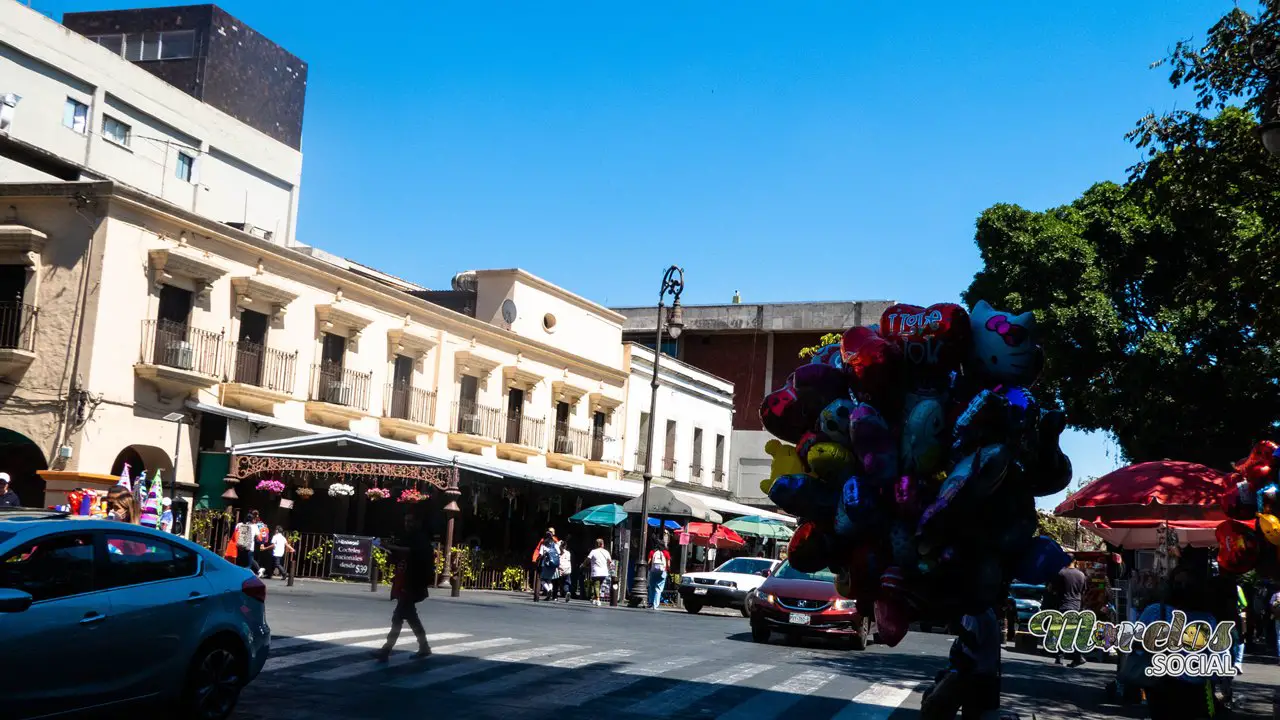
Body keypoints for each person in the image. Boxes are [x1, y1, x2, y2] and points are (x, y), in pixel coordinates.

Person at [921, 607, 1002, 719]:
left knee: (932, 704)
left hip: (974, 674)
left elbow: (974, 644)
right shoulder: (985, 612)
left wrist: (957, 628)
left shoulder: (975, 615)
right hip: (978, 672)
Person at [374, 512, 433, 661]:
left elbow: (413, 552)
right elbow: (400, 553)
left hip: (413, 582)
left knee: (398, 617)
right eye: (406, 521)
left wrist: (391, 546)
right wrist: (388, 549)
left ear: (418, 522)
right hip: (404, 580)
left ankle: (386, 650)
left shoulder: (421, 538)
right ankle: (424, 646)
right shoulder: (407, 537)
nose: (408, 524)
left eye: (411, 521)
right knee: (411, 618)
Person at [1050, 560, 1086, 667]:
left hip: (1063, 605)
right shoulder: (1081, 575)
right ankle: (1077, 656)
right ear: (1075, 562)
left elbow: (1052, 589)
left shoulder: (1061, 573)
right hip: (1076, 606)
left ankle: (1061, 657)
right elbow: (1083, 591)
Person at [584, 538, 612, 607]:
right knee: (599, 585)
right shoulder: (606, 552)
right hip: (604, 572)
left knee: (596, 585)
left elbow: (588, 559)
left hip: (596, 571)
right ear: (602, 544)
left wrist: (583, 564)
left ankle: (598, 599)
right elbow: (610, 561)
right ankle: (594, 598)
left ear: (596, 544)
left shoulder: (593, 551)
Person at [534, 531, 560, 602]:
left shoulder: (543, 544)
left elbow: (541, 554)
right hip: (553, 564)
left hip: (545, 564)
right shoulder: (554, 544)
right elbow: (559, 552)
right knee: (549, 580)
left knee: (542, 579)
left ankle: (548, 590)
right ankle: (550, 590)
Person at [647, 542, 671, 610]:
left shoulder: (652, 552)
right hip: (662, 571)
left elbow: (649, 561)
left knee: (652, 587)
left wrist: (649, 568)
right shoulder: (666, 553)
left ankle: (650, 602)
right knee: (659, 588)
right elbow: (668, 564)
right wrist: (667, 570)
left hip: (653, 571)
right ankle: (655, 605)